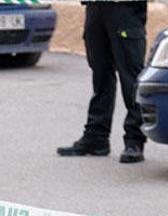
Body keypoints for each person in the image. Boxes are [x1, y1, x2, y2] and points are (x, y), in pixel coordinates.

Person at [57, 1, 148, 164]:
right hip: (96, 7)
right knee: (100, 75)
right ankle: (96, 137)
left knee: (131, 78)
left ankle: (134, 141)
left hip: (125, 9)